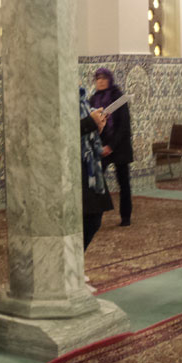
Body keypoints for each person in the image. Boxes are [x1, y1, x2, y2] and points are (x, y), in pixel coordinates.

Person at [89, 68, 134, 226]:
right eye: (97, 78)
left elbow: (123, 126)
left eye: (103, 78)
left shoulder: (118, 98)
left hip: (119, 146)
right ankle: (95, 215)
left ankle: (126, 217)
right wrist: (99, 146)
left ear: (109, 79)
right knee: (96, 182)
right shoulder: (93, 99)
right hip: (101, 148)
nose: (100, 81)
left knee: (123, 182)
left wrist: (111, 146)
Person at [80, 86, 113, 251]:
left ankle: (75, 261)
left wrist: (97, 124)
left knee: (94, 218)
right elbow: (59, 131)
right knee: (89, 219)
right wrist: (90, 122)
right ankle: (73, 262)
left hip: (90, 166)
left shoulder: (81, 99)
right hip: (75, 166)